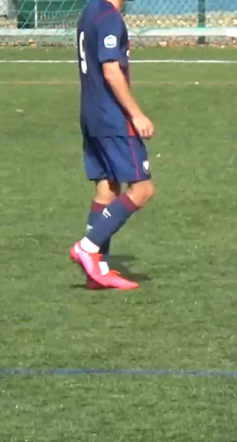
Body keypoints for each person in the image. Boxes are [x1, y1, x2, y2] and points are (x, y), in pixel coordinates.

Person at [70, 0, 156, 290]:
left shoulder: (89, 11)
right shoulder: (109, 16)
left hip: (90, 113)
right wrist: (136, 113)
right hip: (112, 118)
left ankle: (97, 272)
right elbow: (111, 71)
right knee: (142, 189)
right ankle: (88, 246)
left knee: (107, 187)